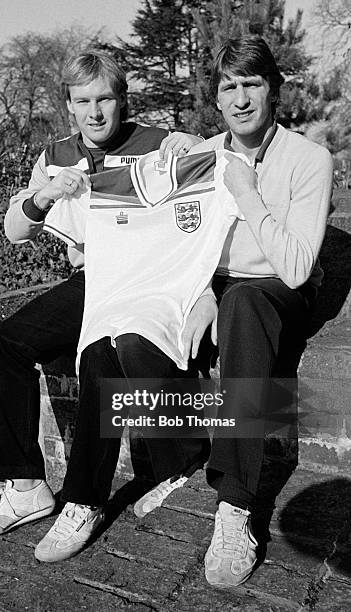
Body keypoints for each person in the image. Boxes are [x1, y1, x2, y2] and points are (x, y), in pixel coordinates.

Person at [0, 52, 206, 551]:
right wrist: (46, 194)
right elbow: (15, 230)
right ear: (68, 106)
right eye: (83, 102)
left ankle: (85, 501)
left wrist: (193, 143)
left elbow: (206, 183)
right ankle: (25, 488)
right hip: (94, 278)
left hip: (150, 280)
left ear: (121, 101)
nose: (95, 112)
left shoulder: (157, 144)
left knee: (100, 350)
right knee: (6, 341)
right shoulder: (55, 155)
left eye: (105, 99)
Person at [182, 35, 333, 587]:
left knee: (245, 304)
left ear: (274, 91)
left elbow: (294, 266)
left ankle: (235, 506)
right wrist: (199, 292)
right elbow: (188, 243)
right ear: (216, 98)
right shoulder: (202, 155)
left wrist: (246, 190)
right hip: (219, 287)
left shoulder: (309, 159)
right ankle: (155, 466)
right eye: (229, 87)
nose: (240, 98)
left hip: (277, 291)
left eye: (252, 84)